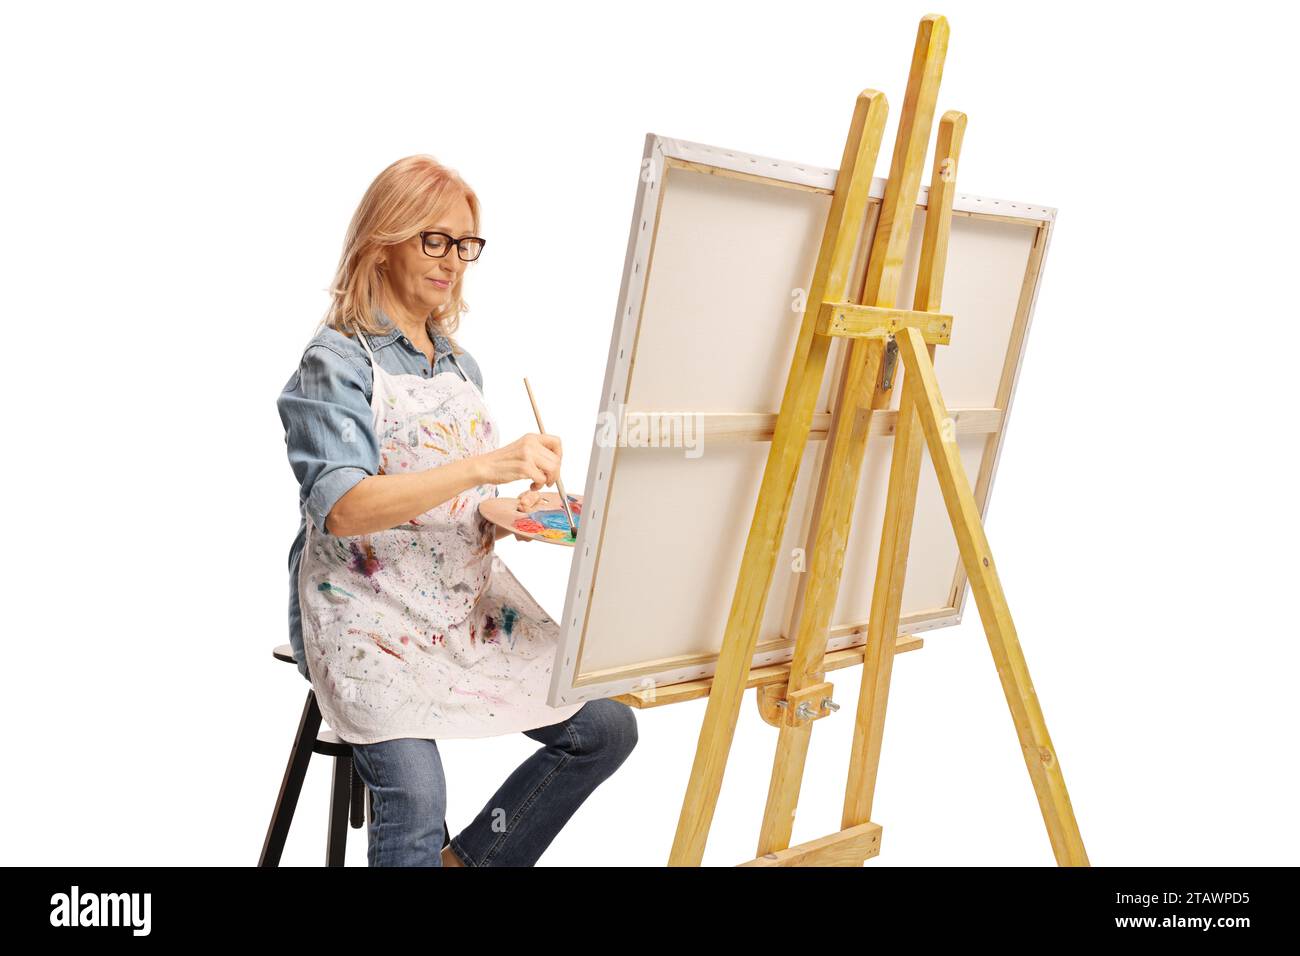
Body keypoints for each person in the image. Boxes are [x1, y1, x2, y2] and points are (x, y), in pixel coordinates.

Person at [276, 155, 637, 866]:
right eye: (434, 240)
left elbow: (458, 502)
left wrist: (517, 510)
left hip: (460, 611)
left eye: (466, 243)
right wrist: (485, 465)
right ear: (384, 240)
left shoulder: (456, 364)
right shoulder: (339, 360)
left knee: (605, 726)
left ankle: (464, 862)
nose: (455, 261)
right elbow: (345, 510)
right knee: (415, 797)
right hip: (367, 616)